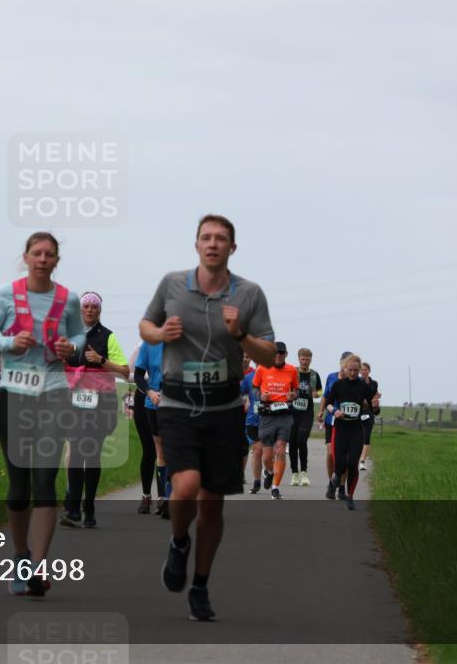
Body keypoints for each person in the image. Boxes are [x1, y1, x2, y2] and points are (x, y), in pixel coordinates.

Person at [140, 214, 275, 622]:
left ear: (232, 248)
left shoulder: (249, 294)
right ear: (196, 244)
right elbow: (145, 325)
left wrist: (240, 336)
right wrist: (160, 335)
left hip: (224, 406)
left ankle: (199, 584)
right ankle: (179, 541)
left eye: (221, 239)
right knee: (186, 486)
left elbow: (268, 354)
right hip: (178, 402)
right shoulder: (172, 284)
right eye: (206, 238)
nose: (212, 244)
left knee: (212, 505)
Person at [0, 232, 85, 597]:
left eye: (49, 255)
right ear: (25, 257)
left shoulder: (67, 299)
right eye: (36, 253)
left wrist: (70, 347)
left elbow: (80, 339)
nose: (42, 259)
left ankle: (39, 566)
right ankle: (20, 555)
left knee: (44, 482)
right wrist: (10, 342)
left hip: (53, 396)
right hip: (14, 396)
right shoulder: (6, 294)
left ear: (56, 260)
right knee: (19, 485)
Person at [60, 292, 129, 528]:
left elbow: (124, 371)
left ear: (99, 311)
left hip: (102, 403)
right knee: (77, 453)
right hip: (76, 402)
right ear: (81, 310)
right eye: (86, 306)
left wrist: (101, 360)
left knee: (92, 455)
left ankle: (89, 507)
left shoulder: (108, 337)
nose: (90, 310)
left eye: (94, 307)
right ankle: (73, 510)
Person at [324, 354, 381, 510]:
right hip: (340, 428)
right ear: (345, 368)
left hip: (356, 429)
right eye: (351, 370)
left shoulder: (364, 386)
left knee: (352, 464)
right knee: (340, 464)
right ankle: (335, 477)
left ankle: (350, 496)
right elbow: (328, 404)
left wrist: (375, 406)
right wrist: (334, 410)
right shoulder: (338, 385)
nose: (354, 373)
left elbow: (374, 409)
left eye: (357, 370)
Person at [251, 342, 298, 499]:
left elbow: (296, 390)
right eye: (275, 352)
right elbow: (254, 388)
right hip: (267, 416)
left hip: (284, 415)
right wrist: (260, 396)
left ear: (286, 354)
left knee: (280, 450)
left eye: (281, 352)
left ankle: (275, 488)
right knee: (266, 457)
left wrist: (293, 395)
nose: (278, 355)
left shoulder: (292, 370)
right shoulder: (262, 368)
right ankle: (269, 472)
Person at [133, 340, 166, 516]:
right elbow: (135, 374)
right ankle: (147, 495)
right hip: (146, 399)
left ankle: (165, 497)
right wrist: (150, 391)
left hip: (173, 402)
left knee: (167, 450)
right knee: (149, 450)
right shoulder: (145, 345)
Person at [318, 350, 352, 497]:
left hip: (347, 422)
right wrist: (321, 411)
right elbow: (325, 396)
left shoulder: (354, 381)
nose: (345, 368)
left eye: (348, 366)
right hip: (331, 419)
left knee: (345, 457)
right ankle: (332, 483)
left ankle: (342, 487)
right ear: (340, 363)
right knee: (331, 454)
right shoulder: (331, 377)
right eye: (343, 364)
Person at [288, 348, 322, 486]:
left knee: (302, 440)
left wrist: (316, 394)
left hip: (307, 413)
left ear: (310, 360)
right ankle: (294, 473)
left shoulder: (314, 375)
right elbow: (285, 386)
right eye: (302, 359)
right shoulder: (292, 372)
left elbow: (320, 391)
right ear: (298, 359)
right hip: (292, 412)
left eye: (307, 359)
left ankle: (304, 472)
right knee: (292, 442)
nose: (305, 362)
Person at [241, 362, 263, 493]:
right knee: (257, 450)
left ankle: (270, 472)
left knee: (268, 454)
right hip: (253, 420)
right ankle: (257, 481)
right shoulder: (249, 377)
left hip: (272, 419)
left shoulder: (275, 376)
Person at [358, 362, 380, 471]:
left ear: (369, 371)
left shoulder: (374, 383)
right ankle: (355, 456)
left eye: (365, 369)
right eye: (361, 370)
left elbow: (375, 396)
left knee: (366, 436)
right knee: (357, 436)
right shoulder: (357, 382)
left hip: (369, 412)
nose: (363, 371)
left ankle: (362, 460)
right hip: (358, 412)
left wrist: (375, 400)